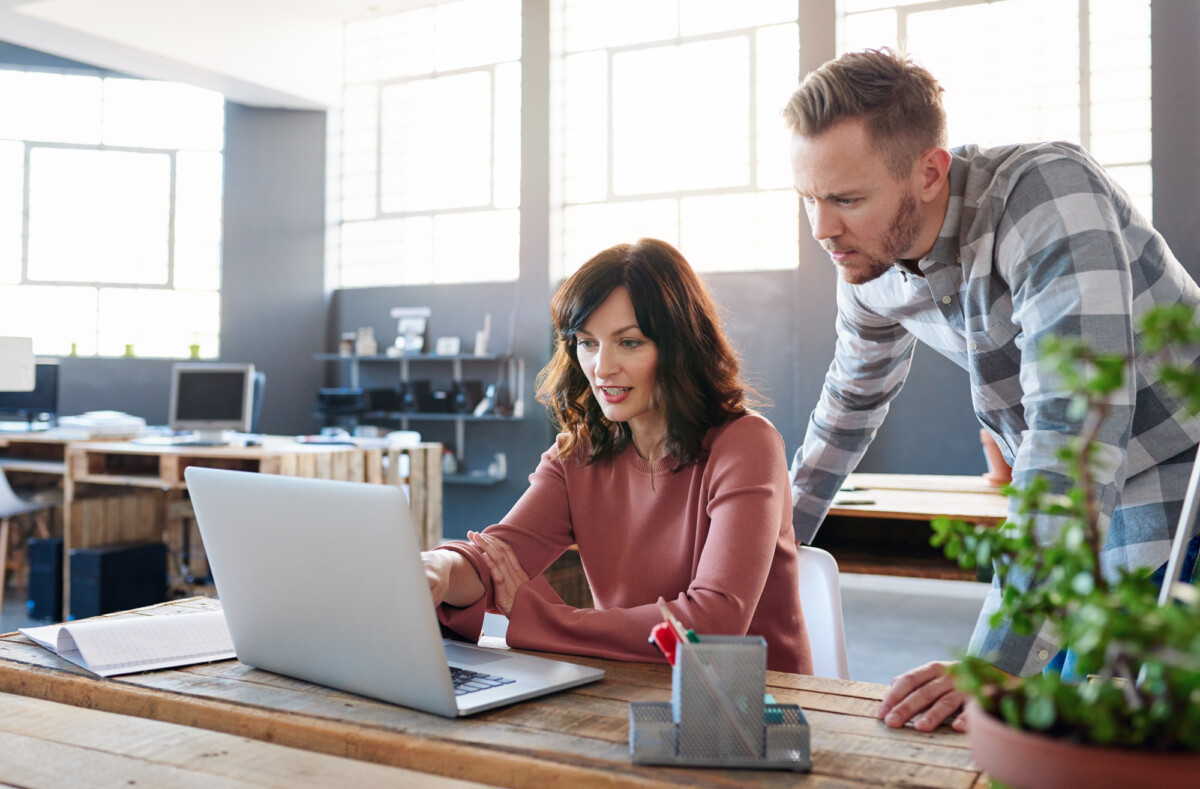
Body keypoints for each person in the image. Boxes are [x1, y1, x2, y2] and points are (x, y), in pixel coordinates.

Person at [784, 48, 1200, 731]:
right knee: (1036, 720)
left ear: (928, 171)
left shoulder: (1046, 197)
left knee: (1110, 725)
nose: (822, 229)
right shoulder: (866, 253)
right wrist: (768, 557)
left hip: (1176, 467)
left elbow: (1075, 440)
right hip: (1079, 503)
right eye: (809, 197)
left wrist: (993, 663)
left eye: (847, 199)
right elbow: (847, 407)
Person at [422, 238, 812, 674]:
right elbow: (497, 557)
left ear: (680, 346)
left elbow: (712, 625)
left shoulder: (746, 444)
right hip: (630, 689)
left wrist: (543, 619)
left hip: (750, 710)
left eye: (629, 343)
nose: (602, 367)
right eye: (587, 343)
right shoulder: (578, 452)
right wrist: (434, 568)